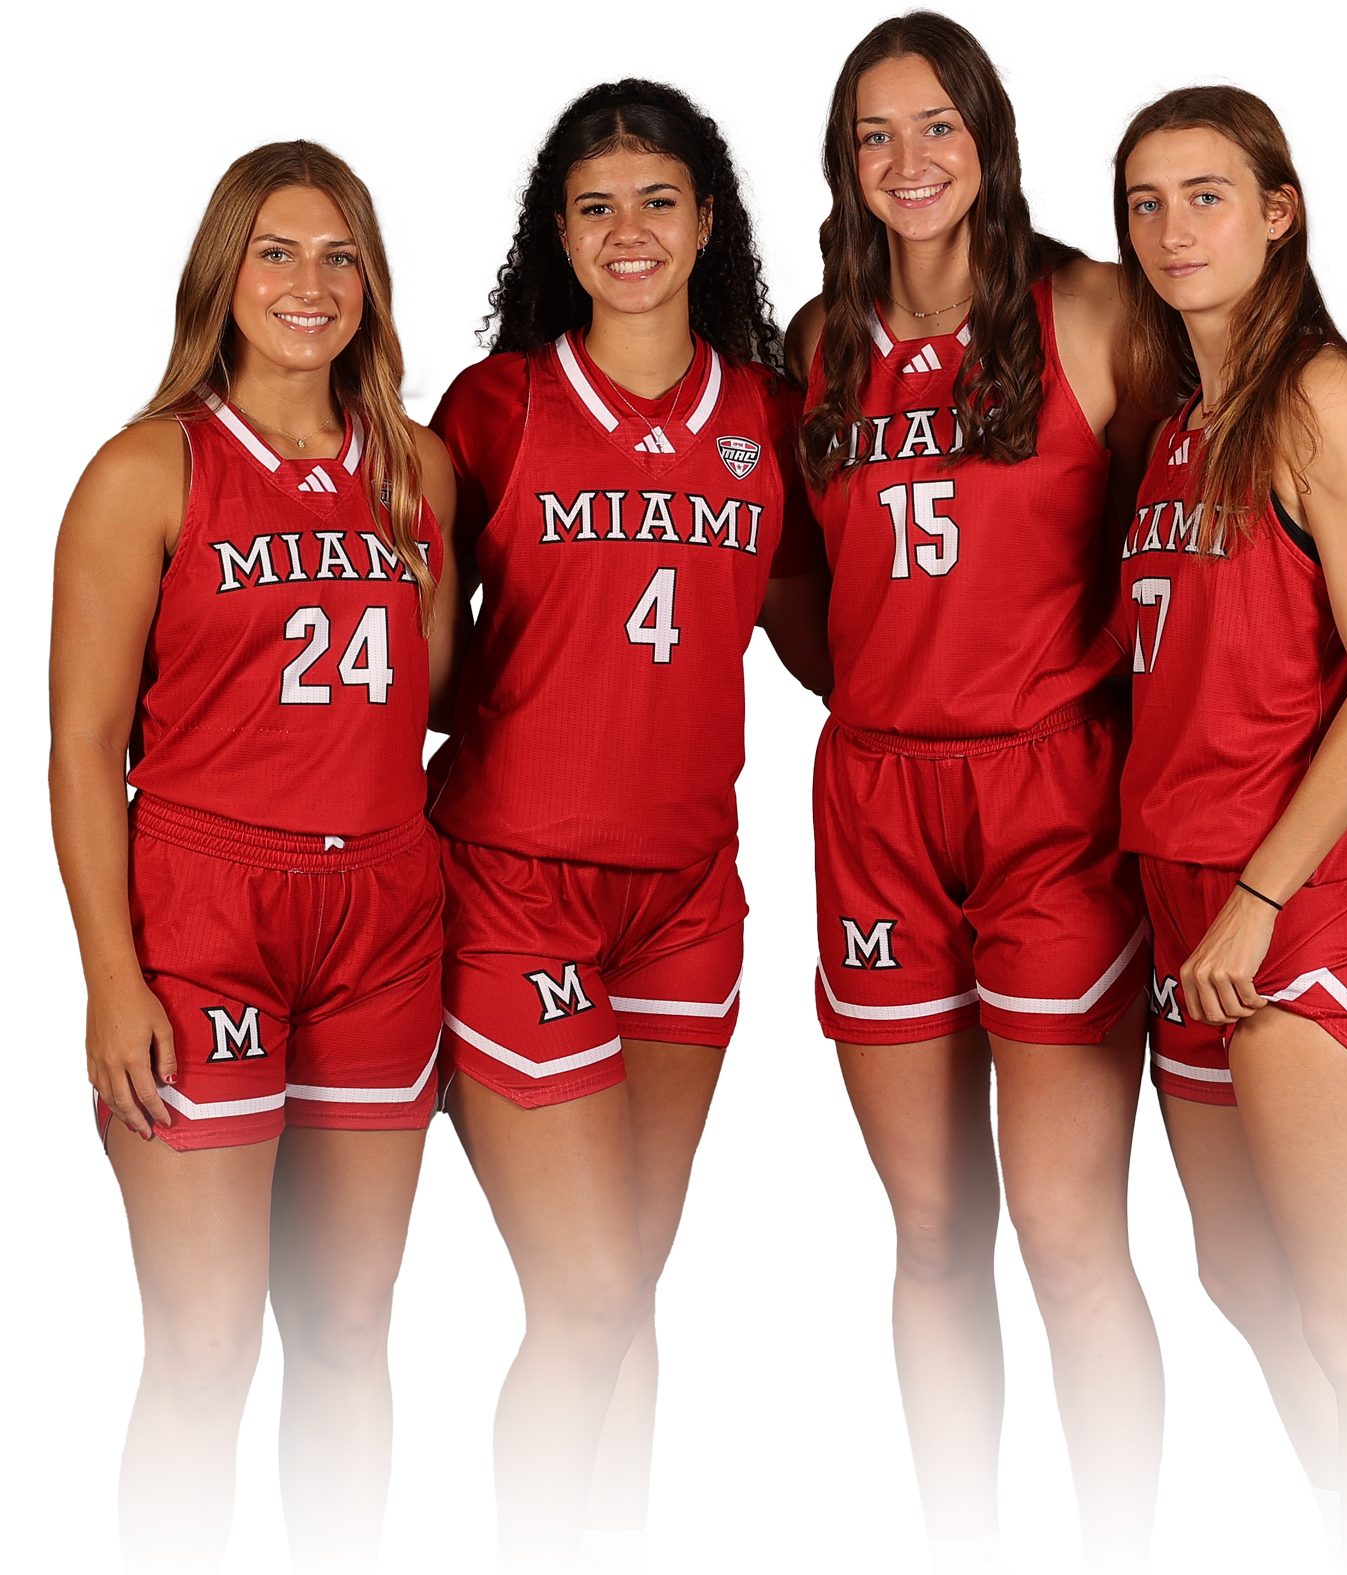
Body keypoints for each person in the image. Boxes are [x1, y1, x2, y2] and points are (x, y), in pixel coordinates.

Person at [428, 78, 831, 1575]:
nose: (629, 231)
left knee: (630, 1282)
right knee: (584, 1289)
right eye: (595, 207)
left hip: (686, 893)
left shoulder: (767, 420)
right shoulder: (498, 406)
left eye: (657, 200)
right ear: (558, 235)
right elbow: (401, 639)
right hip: (518, 881)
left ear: (709, 219)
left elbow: (830, 646)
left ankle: (617, 1559)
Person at [48, 140, 462, 1575]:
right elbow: (82, 748)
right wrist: (111, 973)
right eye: (277, 253)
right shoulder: (141, 469)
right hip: (204, 912)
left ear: (371, 285)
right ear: (219, 278)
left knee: (348, 1324)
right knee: (209, 1344)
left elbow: (428, 698)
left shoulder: (416, 474)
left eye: (338, 254)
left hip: (379, 917)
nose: (308, 283)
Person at [787, 13, 1161, 1575]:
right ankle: (963, 1561)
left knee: (1068, 1236)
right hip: (880, 799)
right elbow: (803, 590)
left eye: (935, 125)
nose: (909, 161)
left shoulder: (1094, 312)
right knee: (935, 1234)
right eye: (875, 136)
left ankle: (1124, 1563)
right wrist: (895, 692)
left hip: (1053, 795)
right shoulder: (819, 344)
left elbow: (1185, 542)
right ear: (844, 165)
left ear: (990, 137)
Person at [1113, 84, 1347, 1575]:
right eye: (1146, 201)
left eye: (1205, 194)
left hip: (1301, 903)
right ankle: (1345, 1537)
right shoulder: (1186, 419)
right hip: (1184, 901)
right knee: (1244, 1281)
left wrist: (1257, 893)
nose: (1174, 227)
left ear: (1277, 212)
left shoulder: (1322, 394)